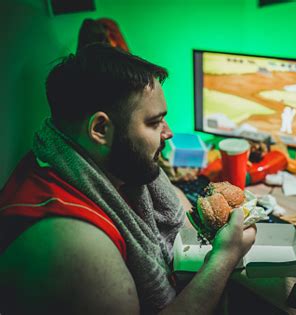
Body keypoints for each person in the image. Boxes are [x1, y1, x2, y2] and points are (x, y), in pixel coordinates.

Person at [0, 43, 257, 314]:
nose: (168, 133)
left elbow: (177, 206)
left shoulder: (82, 161)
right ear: (100, 129)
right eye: (154, 122)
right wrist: (225, 256)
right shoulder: (77, 247)